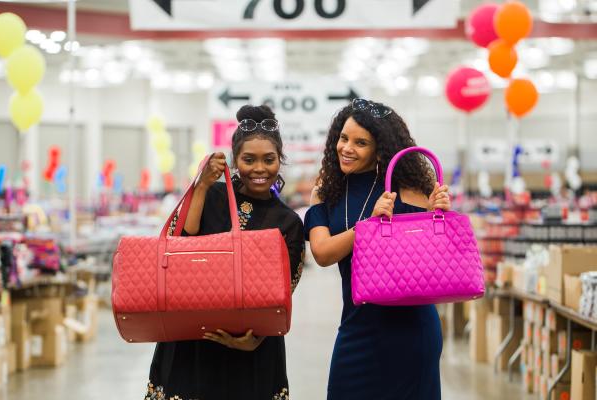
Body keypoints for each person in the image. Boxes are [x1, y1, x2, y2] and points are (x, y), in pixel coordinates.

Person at [146, 105, 305, 400]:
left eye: (269, 160)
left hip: (252, 352)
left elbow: (282, 295)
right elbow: (180, 242)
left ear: (280, 160)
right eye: (249, 159)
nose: (259, 169)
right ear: (234, 161)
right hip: (193, 341)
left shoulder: (288, 222)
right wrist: (203, 186)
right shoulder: (212, 196)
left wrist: (254, 340)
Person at [305, 99, 451, 400]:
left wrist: (441, 214)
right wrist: (368, 226)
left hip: (412, 330)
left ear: (381, 148)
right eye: (343, 138)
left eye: (361, 143)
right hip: (357, 329)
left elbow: (433, 261)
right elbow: (322, 253)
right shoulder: (327, 192)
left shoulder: (411, 192)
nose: (347, 148)